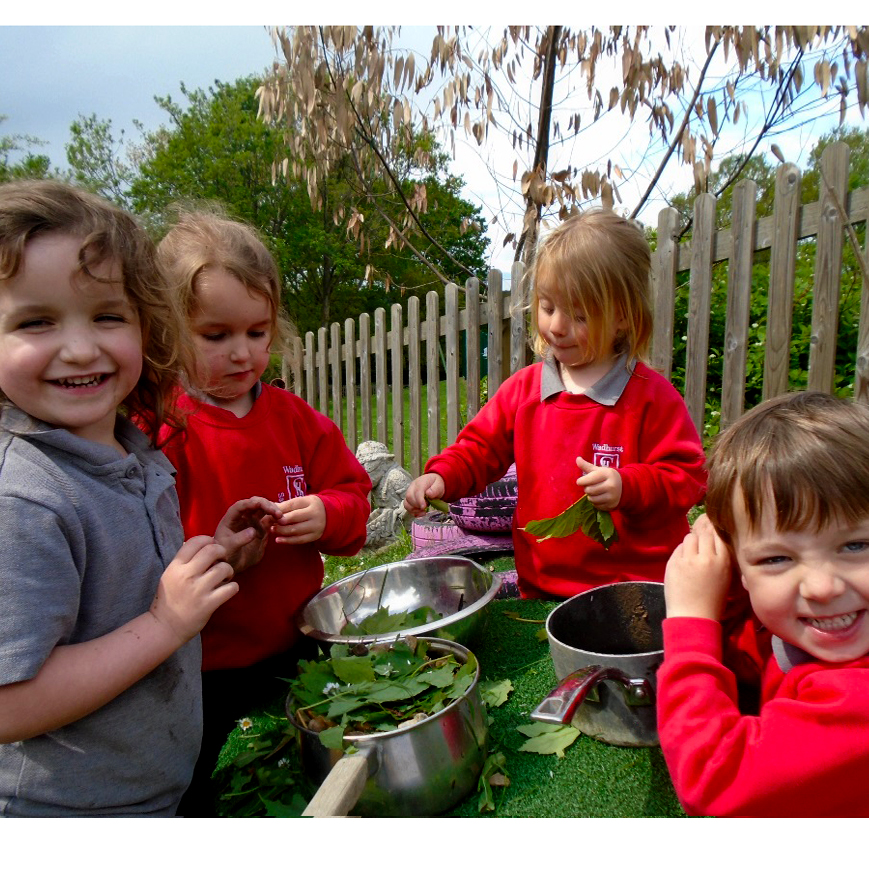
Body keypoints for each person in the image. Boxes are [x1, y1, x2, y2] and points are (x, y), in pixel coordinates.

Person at [0, 180, 281, 817]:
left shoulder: (133, 451)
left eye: (106, 315)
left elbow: (121, 588)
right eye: (36, 321)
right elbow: (9, 703)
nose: (79, 347)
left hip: (154, 788)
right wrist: (166, 624)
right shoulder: (24, 499)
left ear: (146, 326)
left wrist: (213, 558)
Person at [155, 208, 371, 815]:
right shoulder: (161, 428)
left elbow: (355, 499)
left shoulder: (296, 419)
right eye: (215, 335)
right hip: (200, 666)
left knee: (323, 769)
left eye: (257, 332)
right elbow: (135, 547)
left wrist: (327, 515)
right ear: (168, 330)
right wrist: (217, 554)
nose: (242, 353)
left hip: (296, 645)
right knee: (202, 794)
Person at [404, 209, 706, 598]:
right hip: (543, 587)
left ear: (624, 318)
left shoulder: (652, 398)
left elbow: (688, 478)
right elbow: (479, 448)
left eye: (579, 315)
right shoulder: (524, 391)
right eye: (547, 307)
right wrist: (443, 475)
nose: (557, 326)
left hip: (635, 589)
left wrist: (628, 486)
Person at [657, 390, 869, 817]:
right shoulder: (818, 627)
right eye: (776, 558)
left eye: (856, 545)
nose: (822, 587)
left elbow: (716, 781)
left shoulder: (857, 703)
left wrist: (692, 619)